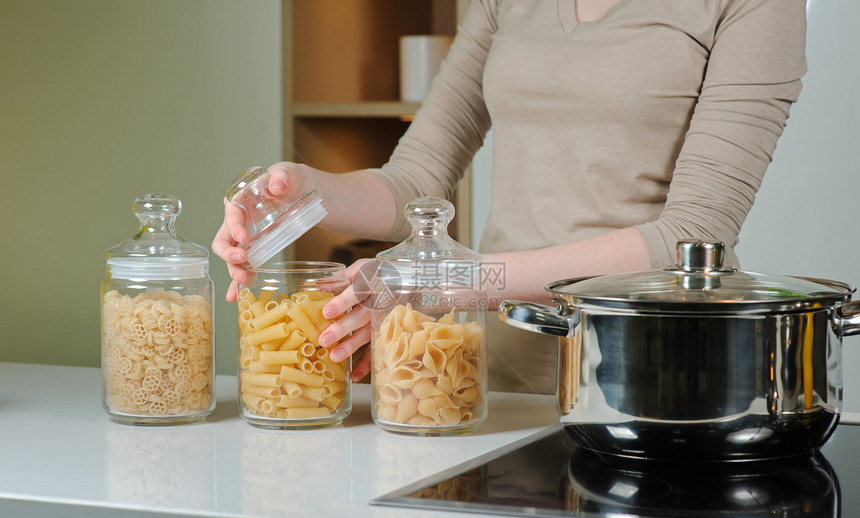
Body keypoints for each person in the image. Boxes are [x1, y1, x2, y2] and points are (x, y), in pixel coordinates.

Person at [213, 0, 807, 394]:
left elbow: (692, 239)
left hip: (650, 387)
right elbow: (418, 177)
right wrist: (303, 189)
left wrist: (453, 282)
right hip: (491, 380)